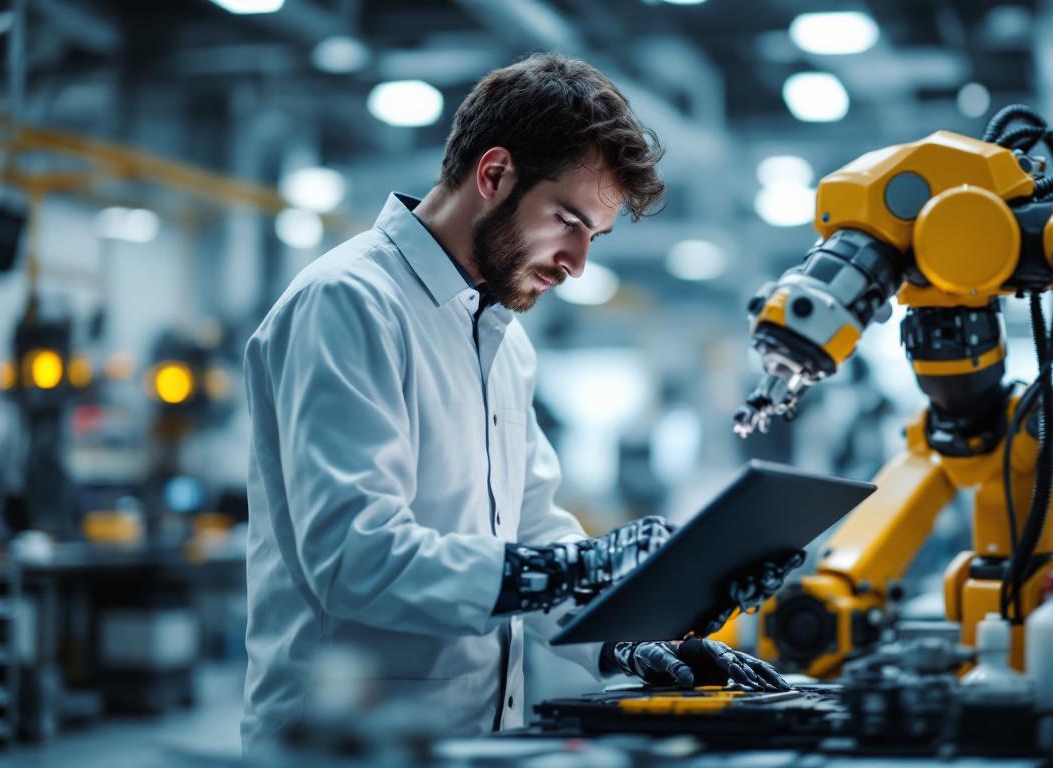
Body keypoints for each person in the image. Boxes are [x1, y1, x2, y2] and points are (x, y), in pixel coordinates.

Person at [241, 53, 789, 753]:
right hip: (342, 744)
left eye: (593, 237)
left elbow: (532, 537)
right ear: (494, 174)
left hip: (480, 740)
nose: (578, 263)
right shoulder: (348, 302)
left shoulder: (504, 339)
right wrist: (575, 569)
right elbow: (355, 557)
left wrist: (627, 643)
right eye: (567, 221)